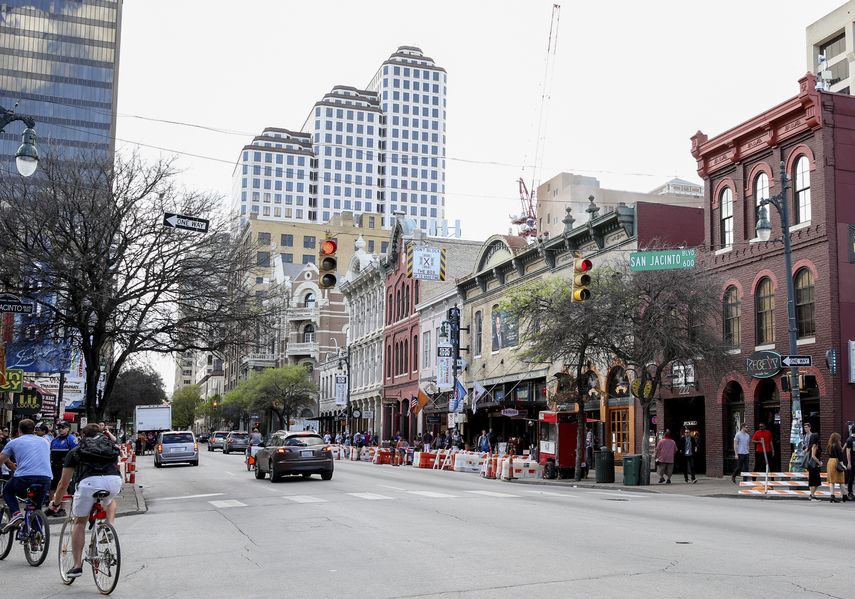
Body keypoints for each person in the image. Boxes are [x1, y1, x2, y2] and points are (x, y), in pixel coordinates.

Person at [49, 423, 122, 579]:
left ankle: (77, 566)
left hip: (89, 484)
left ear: (82, 436)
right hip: (113, 482)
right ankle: (109, 526)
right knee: (110, 500)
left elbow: (63, 484)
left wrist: (55, 503)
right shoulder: (109, 446)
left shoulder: (76, 451)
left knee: (80, 522)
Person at [0, 419, 52, 531]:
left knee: (7, 491)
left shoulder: (14, 442)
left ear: (19, 430)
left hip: (24, 477)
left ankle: (16, 513)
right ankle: (36, 537)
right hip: (45, 478)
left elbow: (1, 459)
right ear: (34, 430)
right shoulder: (45, 442)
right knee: (37, 507)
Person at [802, 423, 822, 500]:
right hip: (813, 465)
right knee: (814, 480)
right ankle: (812, 495)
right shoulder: (814, 445)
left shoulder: (812, 445)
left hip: (812, 464)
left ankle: (812, 495)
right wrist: (819, 462)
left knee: (816, 481)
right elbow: (813, 456)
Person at [826, 432, 846, 503]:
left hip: (830, 462)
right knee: (841, 480)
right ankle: (844, 495)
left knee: (832, 481)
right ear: (837, 438)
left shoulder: (829, 445)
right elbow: (840, 456)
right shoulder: (837, 445)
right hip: (836, 462)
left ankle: (832, 496)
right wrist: (843, 465)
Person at [845, 426, 855, 501]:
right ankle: (850, 492)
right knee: (851, 477)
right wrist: (849, 463)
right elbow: (848, 452)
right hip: (853, 462)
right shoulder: (850, 440)